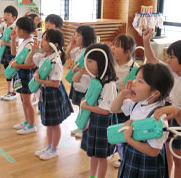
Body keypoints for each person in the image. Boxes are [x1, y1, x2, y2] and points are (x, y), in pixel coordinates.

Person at [143, 28, 181, 178]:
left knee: (179, 158)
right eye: (168, 56)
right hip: (164, 119)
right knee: (166, 155)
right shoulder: (168, 72)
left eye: (172, 57)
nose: (168, 60)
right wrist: (145, 41)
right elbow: (152, 59)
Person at [111, 63, 174, 178]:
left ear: (155, 93)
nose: (133, 83)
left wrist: (129, 139)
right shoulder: (137, 103)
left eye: (140, 81)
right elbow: (114, 109)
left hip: (148, 162)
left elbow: (153, 151)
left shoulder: (158, 117)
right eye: (136, 78)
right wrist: (122, 94)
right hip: (132, 153)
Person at [25, 29, 73, 160]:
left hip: (53, 93)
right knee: (48, 122)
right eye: (42, 38)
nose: (42, 41)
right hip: (44, 92)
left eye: (46, 39)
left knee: (54, 123)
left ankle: (54, 149)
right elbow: (28, 62)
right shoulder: (43, 56)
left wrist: (39, 80)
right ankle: (49, 146)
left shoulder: (55, 61)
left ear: (55, 45)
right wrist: (33, 51)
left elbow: (56, 83)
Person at [74, 43, 117, 178]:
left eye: (90, 61)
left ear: (101, 62)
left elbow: (106, 111)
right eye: (86, 60)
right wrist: (82, 71)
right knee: (93, 153)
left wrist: (86, 106)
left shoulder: (109, 84)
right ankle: (92, 175)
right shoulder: (94, 78)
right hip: (93, 121)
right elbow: (74, 80)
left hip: (103, 123)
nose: (86, 64)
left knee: (102, 156)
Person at [110, 34, 138, 168]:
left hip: (125, 107)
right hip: (112, 103)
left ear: (127, 52)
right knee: (113, 129)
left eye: (117, 46)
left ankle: (123, 156)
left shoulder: (135, 69)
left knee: (123, 130)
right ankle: (114, 150)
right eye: (113, 45)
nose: (113, 48)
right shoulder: (111, 63)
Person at [66, 25, 96, 138]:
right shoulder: (79, 50)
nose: (75, 37)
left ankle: (85, 128)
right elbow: (67, 56)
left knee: (86, 107)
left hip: (87, 85)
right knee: (80, 106)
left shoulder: (92, 51)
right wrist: (71, 45)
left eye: (78, 35)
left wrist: (81, 71)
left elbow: (95, 71)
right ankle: (81, 125)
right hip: (78, 83)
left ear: (86, 37)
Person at [9, 17, 37, 134]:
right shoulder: (23, 42)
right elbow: (14, 53)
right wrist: (12, 39)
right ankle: (27, 121)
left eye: (17, 28)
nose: (15, 29)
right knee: (22, 99)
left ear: (23, 30)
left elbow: (32, 65)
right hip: (20, 73)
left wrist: (17, 66)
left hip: (26, 74)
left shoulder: (30, 44)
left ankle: (32, 125)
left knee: (27, 101)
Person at [0, 5, 18, 101]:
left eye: (8, 14)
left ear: (14, 17)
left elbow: (17, 43)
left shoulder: (15, 27)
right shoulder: (3, 26)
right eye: (4, 14)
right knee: (7, 71)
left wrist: (5, 43)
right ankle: (8, 91)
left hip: (12, 52)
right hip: (4, 51)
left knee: (13, 72)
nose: (5, 16)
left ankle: (14, 92)